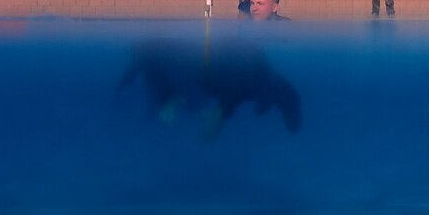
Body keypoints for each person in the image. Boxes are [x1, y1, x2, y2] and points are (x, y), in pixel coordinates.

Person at [117, 39, 302, 139]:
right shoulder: (258, 72)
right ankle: (172, 100)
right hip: (219, 75)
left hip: (224, 75)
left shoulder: (258, 72)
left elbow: (240, 86)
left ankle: (172, 100)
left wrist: (221, 113)